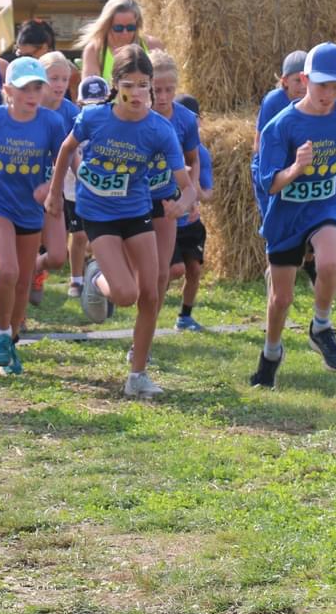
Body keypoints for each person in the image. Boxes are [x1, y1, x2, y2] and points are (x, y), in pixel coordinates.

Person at [45, 44, 195, 399]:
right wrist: (54, 192)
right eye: (130, 84)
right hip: (97, 214)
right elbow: (67, 149)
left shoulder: (160, 130)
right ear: (116, 85)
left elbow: (187, 184)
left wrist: (182, 203)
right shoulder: (95, 117)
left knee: (151, 291)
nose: (139, 92)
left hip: (137, 212)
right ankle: (97, 277)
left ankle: (137, 374)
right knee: (126, 295)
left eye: (145, 85)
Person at [251, 42, 336, 390]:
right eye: (323, 85)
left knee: (331, 260)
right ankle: (271, 353)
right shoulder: (280, 126)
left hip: (326, 203)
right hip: (287, 213)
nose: (329, 94)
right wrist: (296, 168)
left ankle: (321, 326)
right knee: (281, 299)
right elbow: (271, 184)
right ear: (305, 80)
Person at [0, 57, 66, 375]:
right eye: (24, 88)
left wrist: (50, 185)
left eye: (37, 87)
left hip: (30, 208)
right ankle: (2, 334)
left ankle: (12, 343)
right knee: (7, 271)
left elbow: (64, 155)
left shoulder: (51, 122)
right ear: (8, 90)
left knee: (22, 280)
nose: (31, 94)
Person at [147, 51, 202, 349]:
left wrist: (190, 195)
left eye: (170, 90)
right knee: (134, 281)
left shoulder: (185, 120)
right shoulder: (137, 115)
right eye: (157, 90)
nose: (164, 96)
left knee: (161, 274)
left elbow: (194, 160)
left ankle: (144, 339)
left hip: (166, 199)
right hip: (134, 199)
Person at [28, 51, 78, 305]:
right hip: (23, 186)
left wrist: (85, 182)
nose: (59, 85)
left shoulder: (71, 113)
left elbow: (75, 154)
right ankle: (17, 315)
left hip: (53, 187)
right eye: (53, 78)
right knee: (23, 245)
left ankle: (34, 269)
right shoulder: (28, 107)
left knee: (58, 256)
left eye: (64, 79)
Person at [169, 93, 214, 331]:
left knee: (194, 269)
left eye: (194, 118)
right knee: (173, 270)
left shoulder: (201, 154)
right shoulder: (163, 144)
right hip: (166, 221)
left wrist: (196, 192)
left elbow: (209, 193)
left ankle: (184, 316)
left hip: (190, 223)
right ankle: (146, 298)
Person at [63, 75, 109, 297]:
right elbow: (69, 153)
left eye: (100, 104)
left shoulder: (112, 127)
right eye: (90, 105)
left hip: (104, 190)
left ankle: (101, 274)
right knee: (79, 235)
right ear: (80, 104)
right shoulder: (76, 125)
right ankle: (76, 279)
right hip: (76, 189)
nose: (95, 110)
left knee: (103, 235)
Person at [252, 50, 307, 219]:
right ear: (284, 81)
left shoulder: (314, 101)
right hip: (271, 164)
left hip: (296, 165)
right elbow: (259, 143)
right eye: (297, 81)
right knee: (274, 219)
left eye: (306, 80)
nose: (303, 86)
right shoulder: (273, 101)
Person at [76, 0, 162, 82]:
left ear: (137, 25)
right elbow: (90, 92)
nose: (125, 33)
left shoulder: (152, 46)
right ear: (107, 26)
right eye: (118, 28)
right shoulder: (95, 50)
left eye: (130, 28)